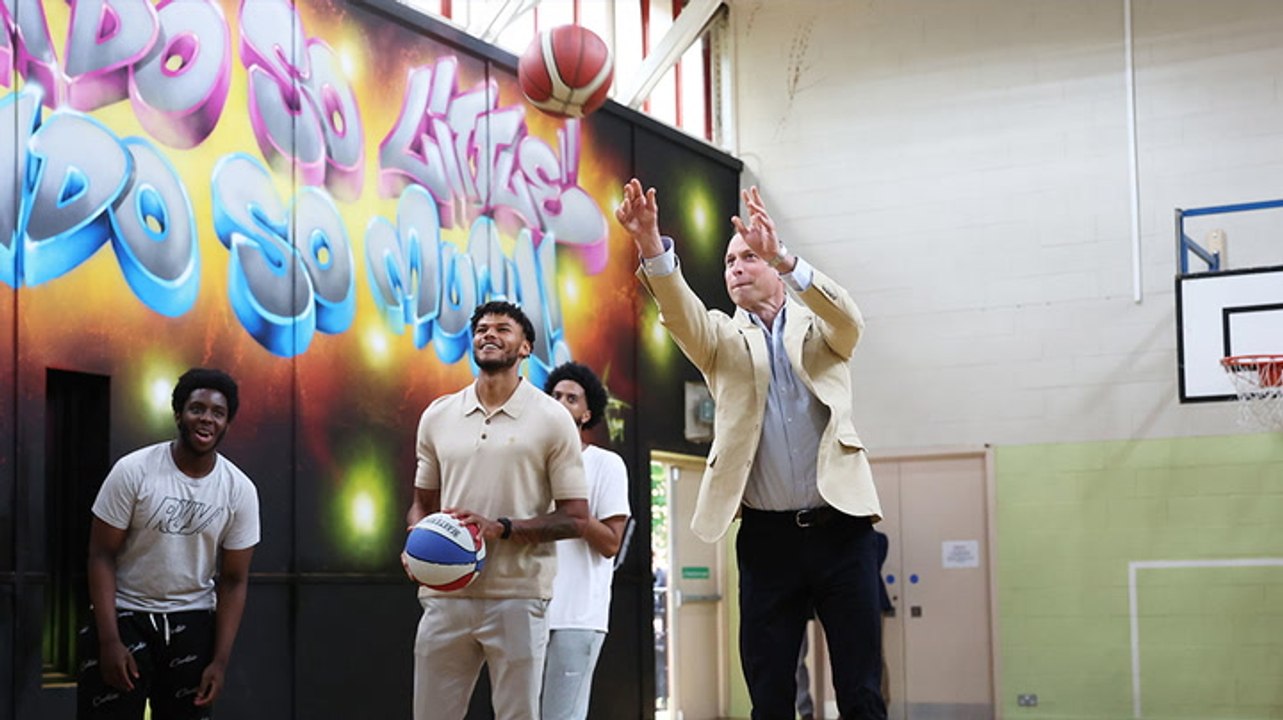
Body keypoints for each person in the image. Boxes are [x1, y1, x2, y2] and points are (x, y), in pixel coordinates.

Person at [616, 179, 886, 719]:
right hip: (767, 541)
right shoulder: (719, 339)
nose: (736, 267)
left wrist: (784, 257)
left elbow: (850, 320)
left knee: (860, 690)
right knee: (769, 694)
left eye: (747, 257)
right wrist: (650, 243)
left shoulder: (821, 328)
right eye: (729, 261)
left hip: (842, 530)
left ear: (772, 264)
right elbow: (680, 312)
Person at [405, 300, 589, 720]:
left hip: (519, 596)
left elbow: (576, 518)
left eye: (503, 329)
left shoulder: (553, 418)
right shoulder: (437, 415)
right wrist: (416, 541)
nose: (489, 334)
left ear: (526, 347)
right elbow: (421, 504)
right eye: (482, 329)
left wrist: (501, 528)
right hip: (445, 593)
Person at [79, 368, 260, 720]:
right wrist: (109, 640)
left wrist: (220, 661)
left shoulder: (240, 490)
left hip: (192, 622)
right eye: (197, 408)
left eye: (218, 413)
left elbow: (235, 580)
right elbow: (100, 554)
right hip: (125, 616)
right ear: (179, 414)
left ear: (227, 424)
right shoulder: (133, 471)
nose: (206, 418)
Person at [540, 362, 632, 720]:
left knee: (562, 716)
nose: (561, 402)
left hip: (576, 617)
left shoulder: (606, 465)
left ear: (586, 413)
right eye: (555, 396)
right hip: (525, 612)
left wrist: (576, 514)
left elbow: (611, 543)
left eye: (571, 398)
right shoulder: (527, 464)